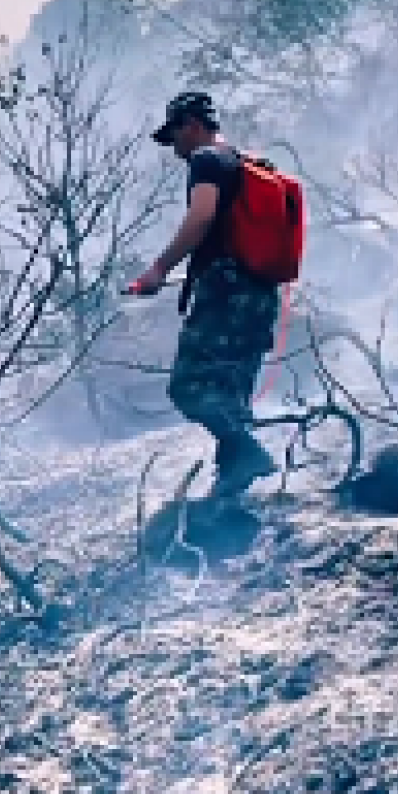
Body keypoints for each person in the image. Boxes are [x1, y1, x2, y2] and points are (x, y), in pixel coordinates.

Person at [131, 90, 278, 495]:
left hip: (227, 296)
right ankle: (233, 489)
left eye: (174, 135)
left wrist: (159, 269)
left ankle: (247, 458)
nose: (174, 147)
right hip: (262, 296)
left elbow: (201, 217)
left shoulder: (207, 161)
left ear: (192, 125)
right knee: (233, 393)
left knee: (187, 387)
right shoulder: (249, 163)